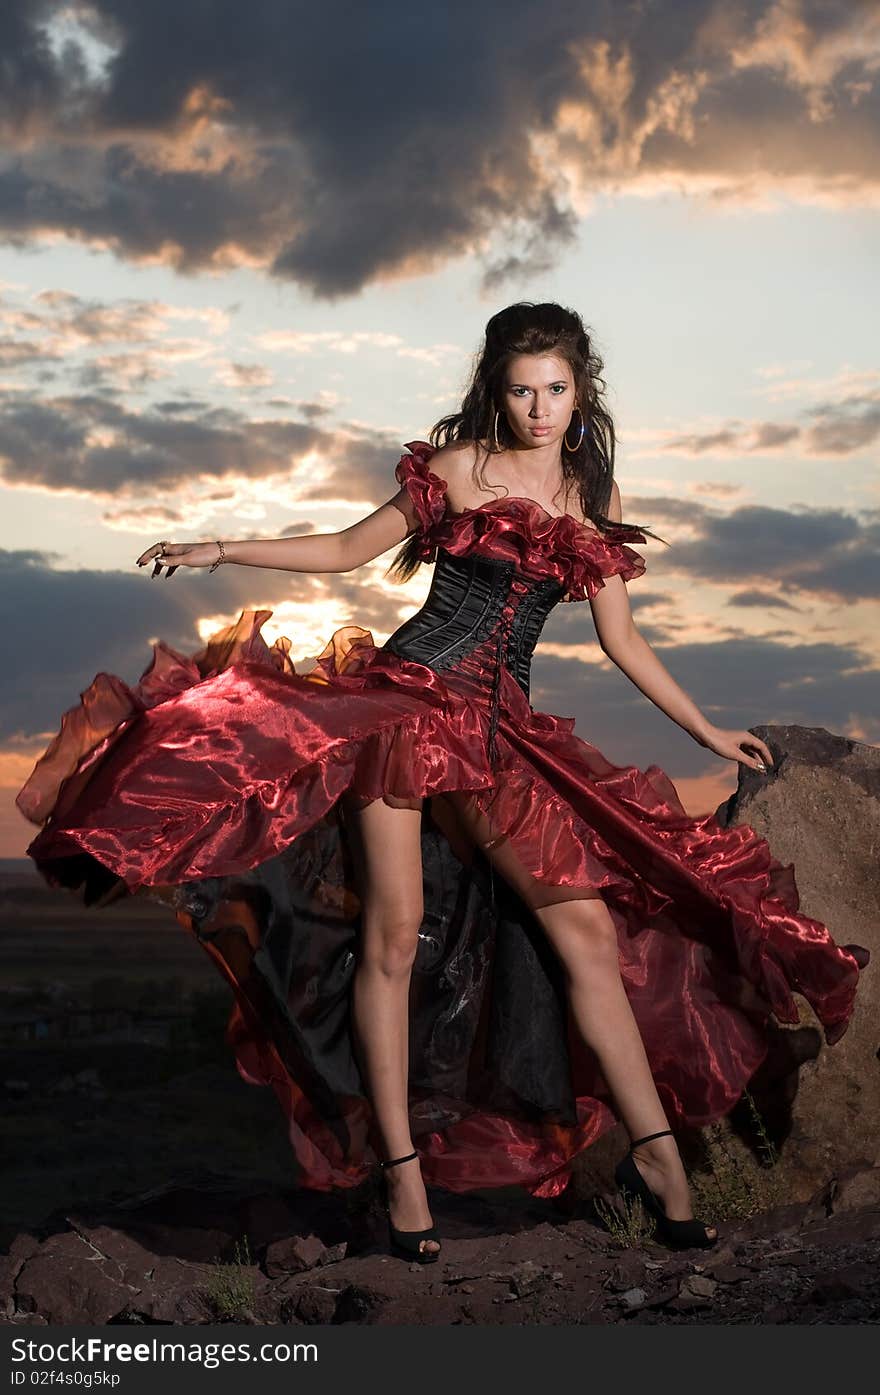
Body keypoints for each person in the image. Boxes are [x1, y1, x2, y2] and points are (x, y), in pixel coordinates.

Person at [17, 301, 868, 1266]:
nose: (539, 407)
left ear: (581, 386)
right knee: (390, 936)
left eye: (555, 388)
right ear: (494, 389)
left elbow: (621, 637)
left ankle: (664, 1170)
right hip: (407, 705)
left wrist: (707, 729)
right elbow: (347, 549)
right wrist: (220, 547)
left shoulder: (589, 489)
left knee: (584, 929)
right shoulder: (460, 467)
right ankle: (405, 1176)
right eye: (520, 389)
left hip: (502, 731)